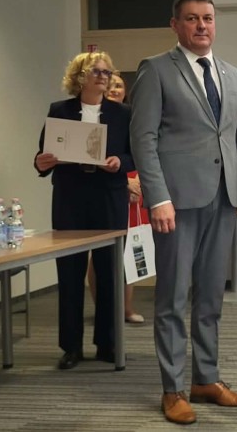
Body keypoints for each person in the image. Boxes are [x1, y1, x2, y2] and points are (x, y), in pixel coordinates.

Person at [129, 0, 237, 425]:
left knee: (210, 296)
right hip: (177, 203)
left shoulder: (231, 74)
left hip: (223, 200)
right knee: (172, 297)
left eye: (207, 18)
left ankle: (206, 378)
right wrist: (157, 197)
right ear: (175, 25)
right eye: (191, 18)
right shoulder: (156, 70)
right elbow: (143, 139)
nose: (201, 26)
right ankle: (173, 389)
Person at [34, 51, 133, 370]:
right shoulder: (60, 110)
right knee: (70, 272)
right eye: (97, 71)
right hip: (70, 198)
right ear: (79, 77)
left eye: (107, 72)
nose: (104, 77)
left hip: (108, 196)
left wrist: (120, 163)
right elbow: (43, 155)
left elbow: (135, 154)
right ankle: (71, 347)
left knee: (109, 272)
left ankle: (108, 343)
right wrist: (41, 163)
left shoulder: (123, 113)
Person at [87, 72, 145, 324]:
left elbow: (141, 151)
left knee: (130, 250)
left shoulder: (131, 117)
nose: (114, 89)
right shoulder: (93, 118)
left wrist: (139, 181)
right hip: (107, 188)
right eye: (110, 85)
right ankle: (103, 308)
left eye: (119, 85)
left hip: (134, 185)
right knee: (100, 252)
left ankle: (126, 308)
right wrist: (124, 182)